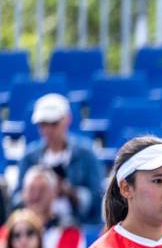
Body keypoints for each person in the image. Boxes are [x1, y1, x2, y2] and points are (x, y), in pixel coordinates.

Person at [15, 93, 104, 224]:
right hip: (37, 225)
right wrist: (34, 193)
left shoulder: (86, 155)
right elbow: (16, 198)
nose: (48, 130)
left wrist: (69, 192)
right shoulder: (29, 157)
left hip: (76, 225)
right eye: (43, 124)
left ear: (67, 119)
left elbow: (97, 199)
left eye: (53, 123)